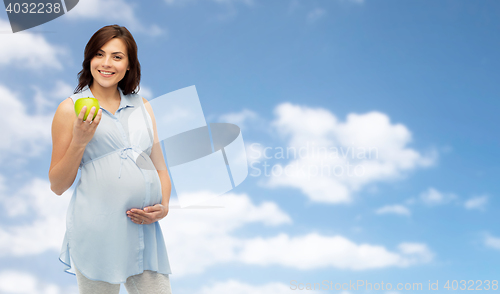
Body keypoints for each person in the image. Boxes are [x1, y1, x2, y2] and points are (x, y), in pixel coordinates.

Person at [48, 24, 173, 294]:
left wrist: (163, 206)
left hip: (144, 231)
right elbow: (57, 185)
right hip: (97, 233)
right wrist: (80, 141)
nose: (107, 64)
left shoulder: (143, 106)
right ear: (89, 59)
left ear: (129, 65)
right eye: (99, 54)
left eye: (117, 57)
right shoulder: (70, 109)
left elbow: (160, 167)